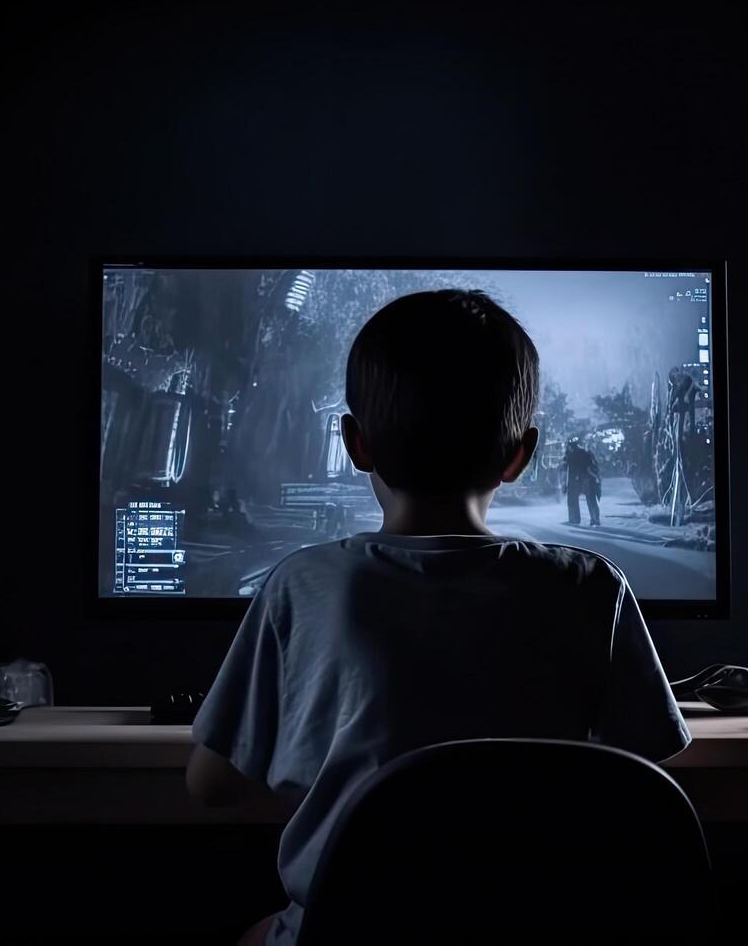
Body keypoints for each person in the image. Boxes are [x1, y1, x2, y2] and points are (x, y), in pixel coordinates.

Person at [187, 290, 690, 946]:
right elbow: (647, 765)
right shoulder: (592, 587)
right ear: (521, 455)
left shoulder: (301, 586)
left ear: (355, 443)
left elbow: (211, 784)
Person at [562, 437, 602, 527]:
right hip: (586, 479)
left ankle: (575, 519)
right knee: (591, 500)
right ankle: (595, 519)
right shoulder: (585, 453)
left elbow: (564, 469)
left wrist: (564, 484)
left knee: (574, 500)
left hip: (577, 480)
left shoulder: (570, 455)